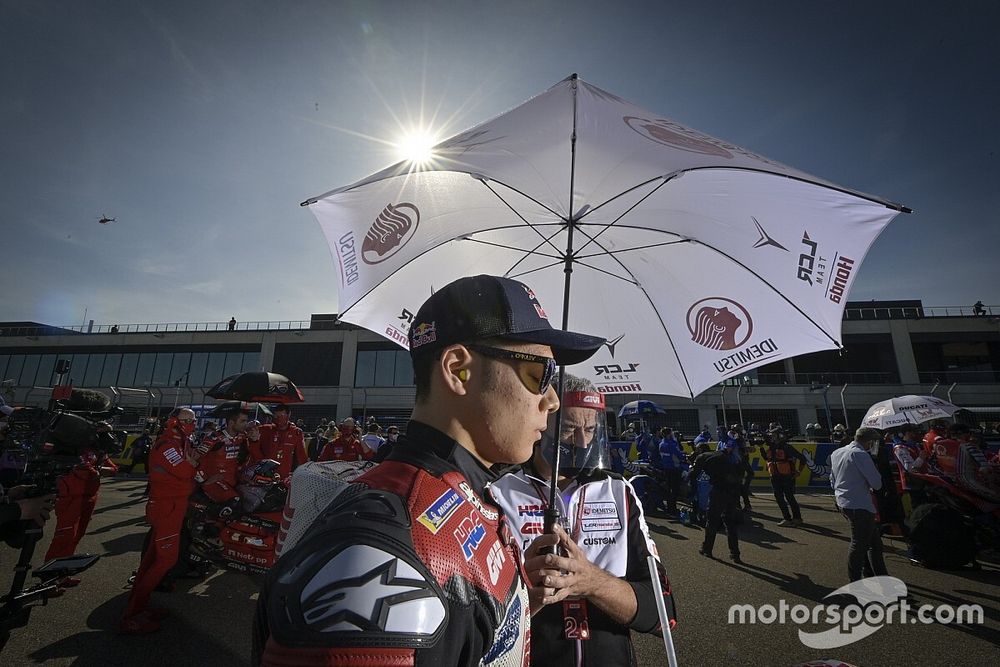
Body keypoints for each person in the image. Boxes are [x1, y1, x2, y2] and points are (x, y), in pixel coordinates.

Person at [254, 274, 605, 666]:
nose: (553, 400)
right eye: (541, 374)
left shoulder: (459, 493)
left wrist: (516, 607)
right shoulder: (378, 550)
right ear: (458, 371)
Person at [492, 374, 676, 666]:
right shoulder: (499, 491)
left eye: (589, 429)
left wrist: (592, 582)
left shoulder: (619, 491)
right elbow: (476, 621)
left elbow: (661, 612)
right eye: (567, 428)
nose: (580, 441)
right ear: (542, 423)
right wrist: (525, 597)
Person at [120, 407, 201, 634]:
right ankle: (131, 616)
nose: (191, 423)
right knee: (166, 560)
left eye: (193, 420)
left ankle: (139, 606)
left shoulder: (180, 443)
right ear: (174, 421)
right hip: (166, 508)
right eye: (186, 420)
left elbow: (193, 465)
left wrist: (193, 463)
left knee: (151, 559)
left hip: (172, 506)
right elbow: (186, 470)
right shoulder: (167, 445)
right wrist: (191, 464)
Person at [828, 427, 888, 582]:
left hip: (844, 502)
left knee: (874, 544)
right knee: (860, 545)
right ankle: (855, 582)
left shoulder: (838, 452)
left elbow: (832, 479)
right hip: (860, 505)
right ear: (869, 442)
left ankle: (880, 579)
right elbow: (877, 484)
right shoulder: (861, 455)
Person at [690, 440, 745, 562]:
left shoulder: (705, 457)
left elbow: (693, 475)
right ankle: (735, 554)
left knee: (712, 520)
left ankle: (707, 549)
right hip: (733, 492)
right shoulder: (736, 459)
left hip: (719, 491)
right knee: (730, 522)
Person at [195, 402, 250, 515]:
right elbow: (193, 459)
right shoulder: (214, 438)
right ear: (231, 422)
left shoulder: (243, 438)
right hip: (215, 483)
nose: (246, 424)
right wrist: (203, 480)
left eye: (246, 421)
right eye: (242, 421)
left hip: (233, 482)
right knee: (234, 503)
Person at [760, 426, 806, 526]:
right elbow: (766, 458)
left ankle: (797, 518)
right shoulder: (771, 447)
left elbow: (802, 458)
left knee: (789, 497)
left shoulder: (786, 447)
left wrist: (799, 471)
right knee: (779, 498)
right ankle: (787, 518)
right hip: (775, 476)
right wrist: (761, 447)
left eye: (774, 435)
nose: (771, 437)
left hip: (786, 476)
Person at [248, 404, 307, 481]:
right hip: (264, 476)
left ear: (288, 414)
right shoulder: (265, 430)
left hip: (284, 478)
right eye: (276, 416)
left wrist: (304, 473)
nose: (279, 418)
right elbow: (254, 451)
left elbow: (301, 456)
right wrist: (252, 437)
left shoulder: (296, 432)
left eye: (282, 415)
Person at [891, 424, 929, 508]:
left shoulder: (914, 445)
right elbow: (909, 468)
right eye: (913, 432)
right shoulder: (900, 448)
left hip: (923, 480)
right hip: (913, 483)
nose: (916, 434)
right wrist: (921, 458)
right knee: (919, 507)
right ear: (907, 433)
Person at [656, 427, 687, 515]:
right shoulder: (671, 444)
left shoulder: (661, 443)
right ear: (669, 434)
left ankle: (670, 508)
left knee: (669, 489)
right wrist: (684, 456)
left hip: (666, 468)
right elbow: (679, 455)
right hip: (674, 468)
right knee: (674, 489)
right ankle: (673, 509)